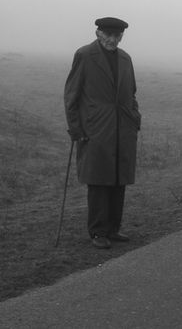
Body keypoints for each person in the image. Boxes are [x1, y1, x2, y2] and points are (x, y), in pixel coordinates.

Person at [64, 17, 142, 249]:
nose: (112, 40)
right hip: (95, 129)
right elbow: (72, 96)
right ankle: (98, 232)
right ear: (98, 33)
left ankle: (113, 229)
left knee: (118, 180)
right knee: (98, 181)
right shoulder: (85, 55)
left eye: (117, 36)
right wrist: (76, 129)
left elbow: (131, 93)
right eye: (108, 35)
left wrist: (135, 118)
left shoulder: (126, 59)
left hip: (123, 129)